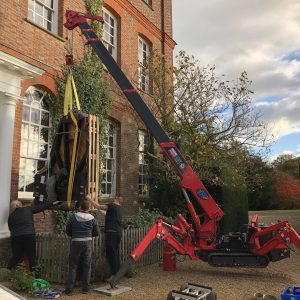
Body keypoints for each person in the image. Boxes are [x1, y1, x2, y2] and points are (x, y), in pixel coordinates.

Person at [8, 199, 61, 272]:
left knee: (16, 257)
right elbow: (42, 207)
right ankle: (35, 277)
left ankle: (7, 271)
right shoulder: (28, 209)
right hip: (29, 235)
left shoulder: (11, 216)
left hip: (16, 237)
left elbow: (10, 228)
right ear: (21, 205)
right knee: (31, 257)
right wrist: (53, 203)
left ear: (12, 207)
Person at [65, 199, 99, 295]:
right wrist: (88, 235)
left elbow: (68, 230)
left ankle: (70, 290)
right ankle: (86, 289)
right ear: (88, 208)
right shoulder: (92, 218)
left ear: (80, 207)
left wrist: (74, 235)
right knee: (87, 266)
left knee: (73, 266)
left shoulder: (73, 217)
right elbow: (96, 232)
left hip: (76, 242)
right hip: (87, 243)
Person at [87, 196, 123, 279]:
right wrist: (98, 208)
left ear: (116, 200)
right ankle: (117, 273)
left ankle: (115, 275)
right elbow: (105, 213)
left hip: (111, 232)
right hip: (118, 232)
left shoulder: (112, 205)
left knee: (111, 254)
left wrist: (89, 199)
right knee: (115, 252)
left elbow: (99, 206)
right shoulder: (119, 209)